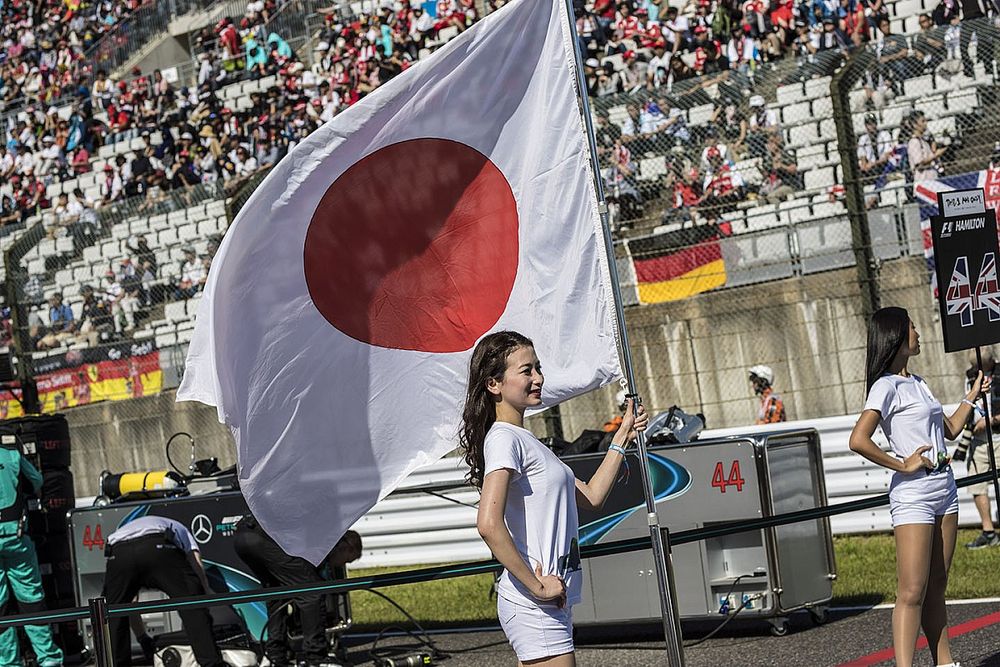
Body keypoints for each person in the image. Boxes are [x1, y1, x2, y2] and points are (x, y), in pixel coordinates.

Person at [460, 331, 647, 666]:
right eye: (527, 370)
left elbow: (592, 496)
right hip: (536, 603)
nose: (539, 378)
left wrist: (622, 437)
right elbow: (488, 524)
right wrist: (538, 587)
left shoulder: (524, 439)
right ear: (494, 384)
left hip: (548, 601)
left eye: (538, 368)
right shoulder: (504, 439)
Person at [849, 307, 989, 667]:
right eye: (912, 326)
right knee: (912, 590)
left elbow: (949, 430)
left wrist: (971, 396)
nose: (919, 332)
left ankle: (944, 662)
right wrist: (903, 464)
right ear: (896, 336)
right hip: (913, 494)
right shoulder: (885, 385)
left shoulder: (920, 382)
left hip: (945, 487)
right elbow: (859, 439)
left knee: (937, 587)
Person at [233, 518, 362, 667]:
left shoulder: (323, 537)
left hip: (244, 536)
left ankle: (275, 656)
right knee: (312, 593)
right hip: (266, 536)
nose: (342, 565)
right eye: (347, 560)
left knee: (276, 593)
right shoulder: (326, 539)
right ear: (347, 548)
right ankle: (316, 657)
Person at [102, 515, 226, 667]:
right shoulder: (182, 529)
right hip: (157, 545)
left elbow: (132, 603)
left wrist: (143, 639)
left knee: (113, 613)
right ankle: (211, 663)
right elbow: (196, 565)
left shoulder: (126, 529)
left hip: (118, 552)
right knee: (192, 603)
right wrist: (203, 601)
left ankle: (115, 664)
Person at [0, 437, 64, 667]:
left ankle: (7, 663)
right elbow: (36, 481)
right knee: (31, 600)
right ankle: (49, 660)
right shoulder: (10, 453)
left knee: (0, 606)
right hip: (16, 538)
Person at [960, 347, 1000, 549]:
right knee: (976, 484)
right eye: (976, 367)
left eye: (982, 367)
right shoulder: (970, 379)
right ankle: (988, 532)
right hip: (977, 440)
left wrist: (990, 421)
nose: (978, 371)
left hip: (998, 435)